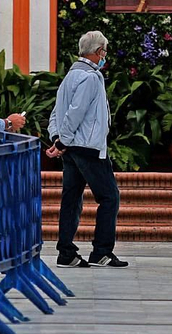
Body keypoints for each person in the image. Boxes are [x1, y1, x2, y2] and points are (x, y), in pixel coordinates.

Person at [47, 30, 126, 268]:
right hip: (87, 148)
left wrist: (57, 138)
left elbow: (57, 112)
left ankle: (66, 253)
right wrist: (62, 141)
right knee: (109, 197)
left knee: (71, 199)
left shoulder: (71, 76)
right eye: (104, 51)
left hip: (72, 148)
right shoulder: (90, 78)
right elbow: (75, 113)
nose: (105, 56)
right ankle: (101, 251)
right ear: (98, 52)